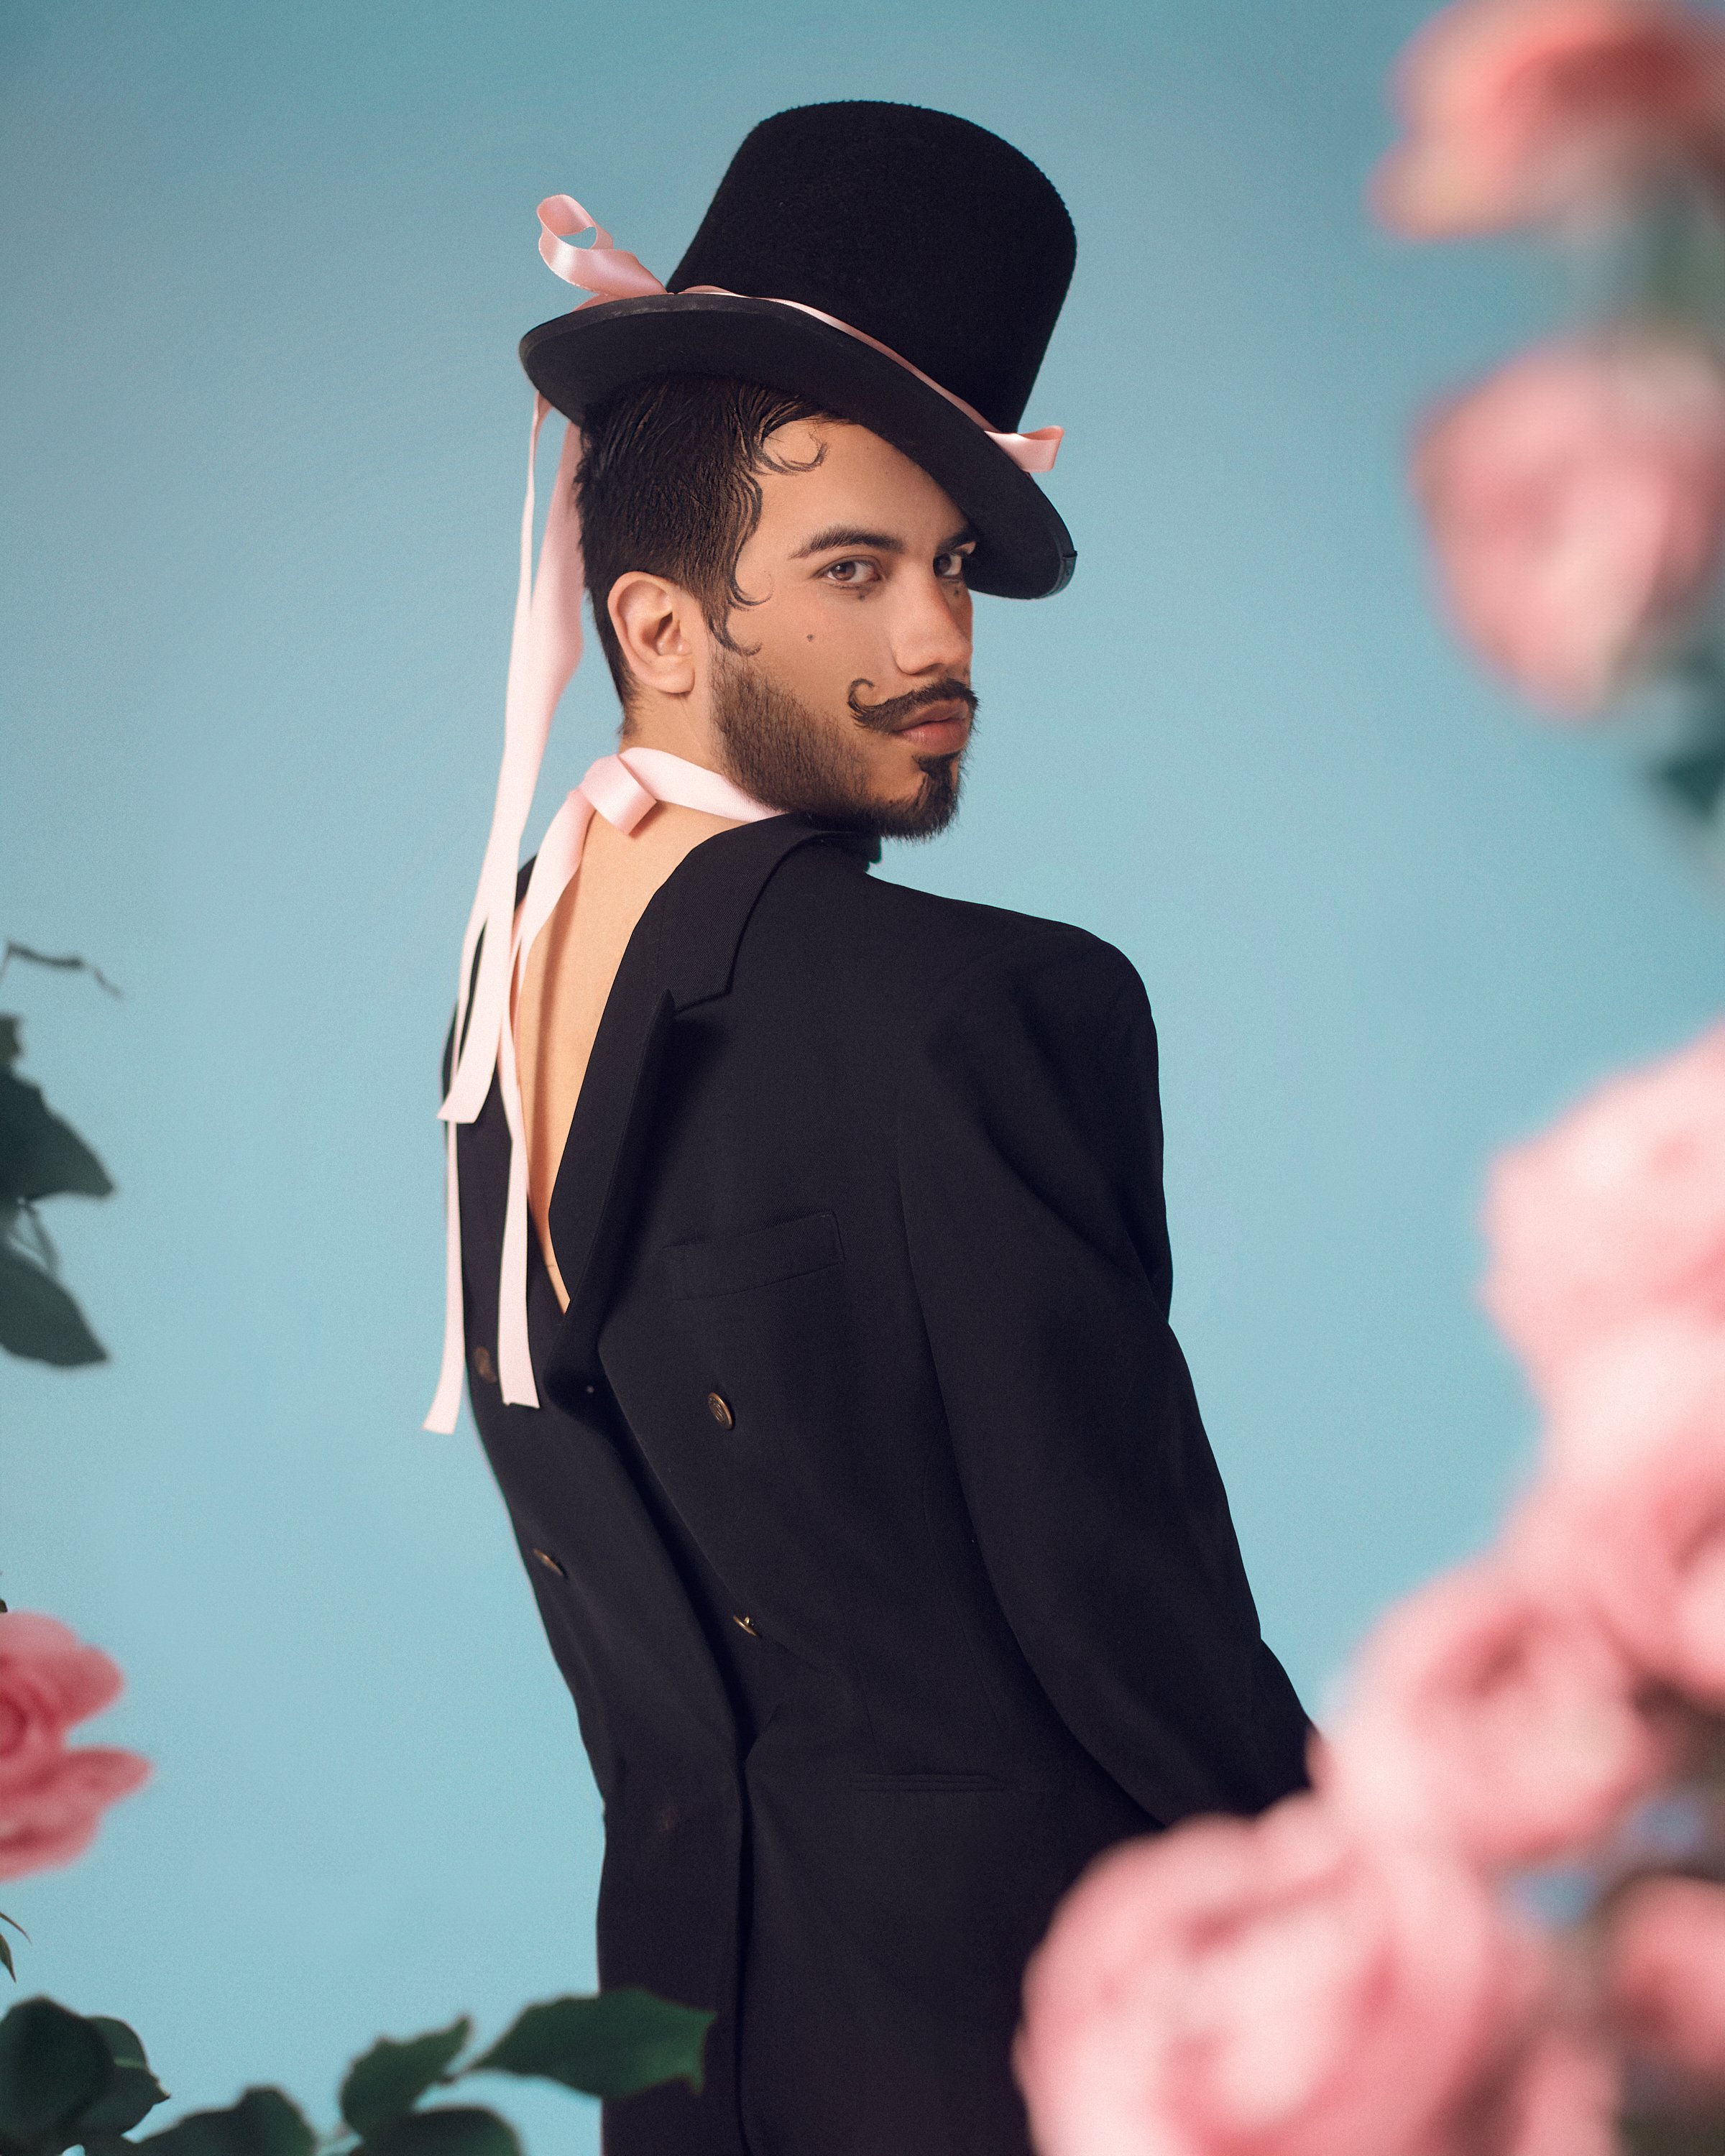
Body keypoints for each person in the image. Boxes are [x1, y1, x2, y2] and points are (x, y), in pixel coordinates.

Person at [428, 101, 1310, 2156]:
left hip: (686, 2059)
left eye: (952, 570)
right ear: (658, 628)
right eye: (855, 569)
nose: (940, 647)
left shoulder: (489, 1001)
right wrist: (1411, 1956)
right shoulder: (990, 1004)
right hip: (1036, 2068)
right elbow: (1134, 1629)